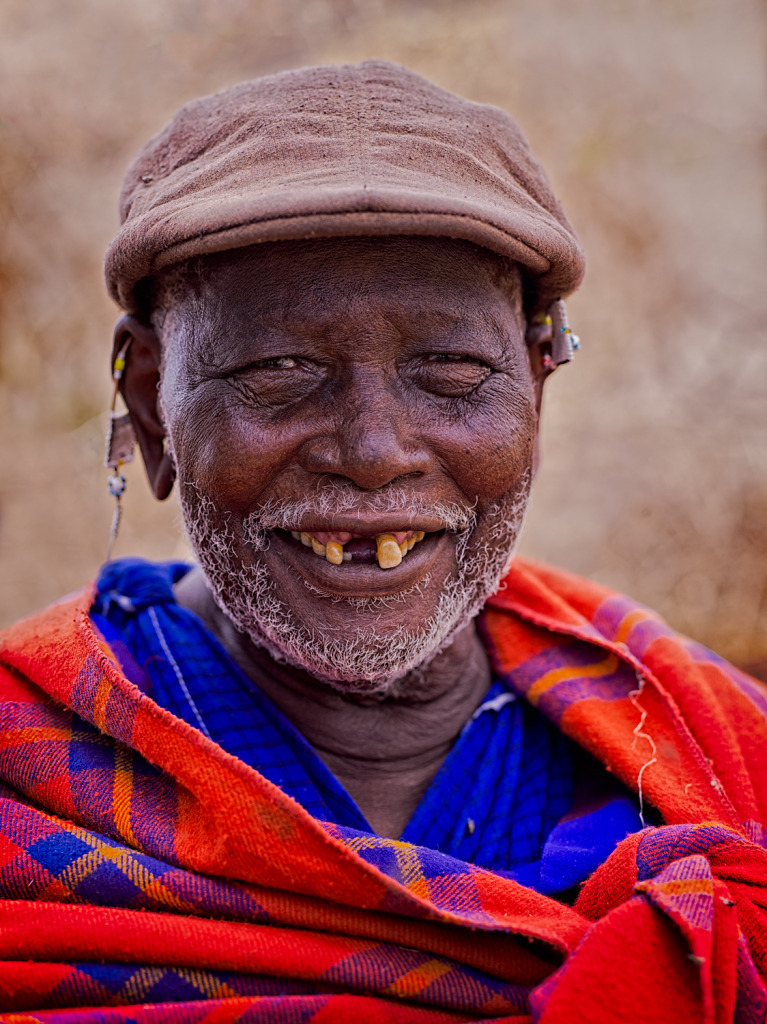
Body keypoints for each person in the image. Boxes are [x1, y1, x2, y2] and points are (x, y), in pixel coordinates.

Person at [1, 61, 766, 1023]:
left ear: (535, 387)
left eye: (450, 371)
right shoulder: (25, 772)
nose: (373, 453)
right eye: (278, 367)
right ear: (151, 400)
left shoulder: (709, 753)